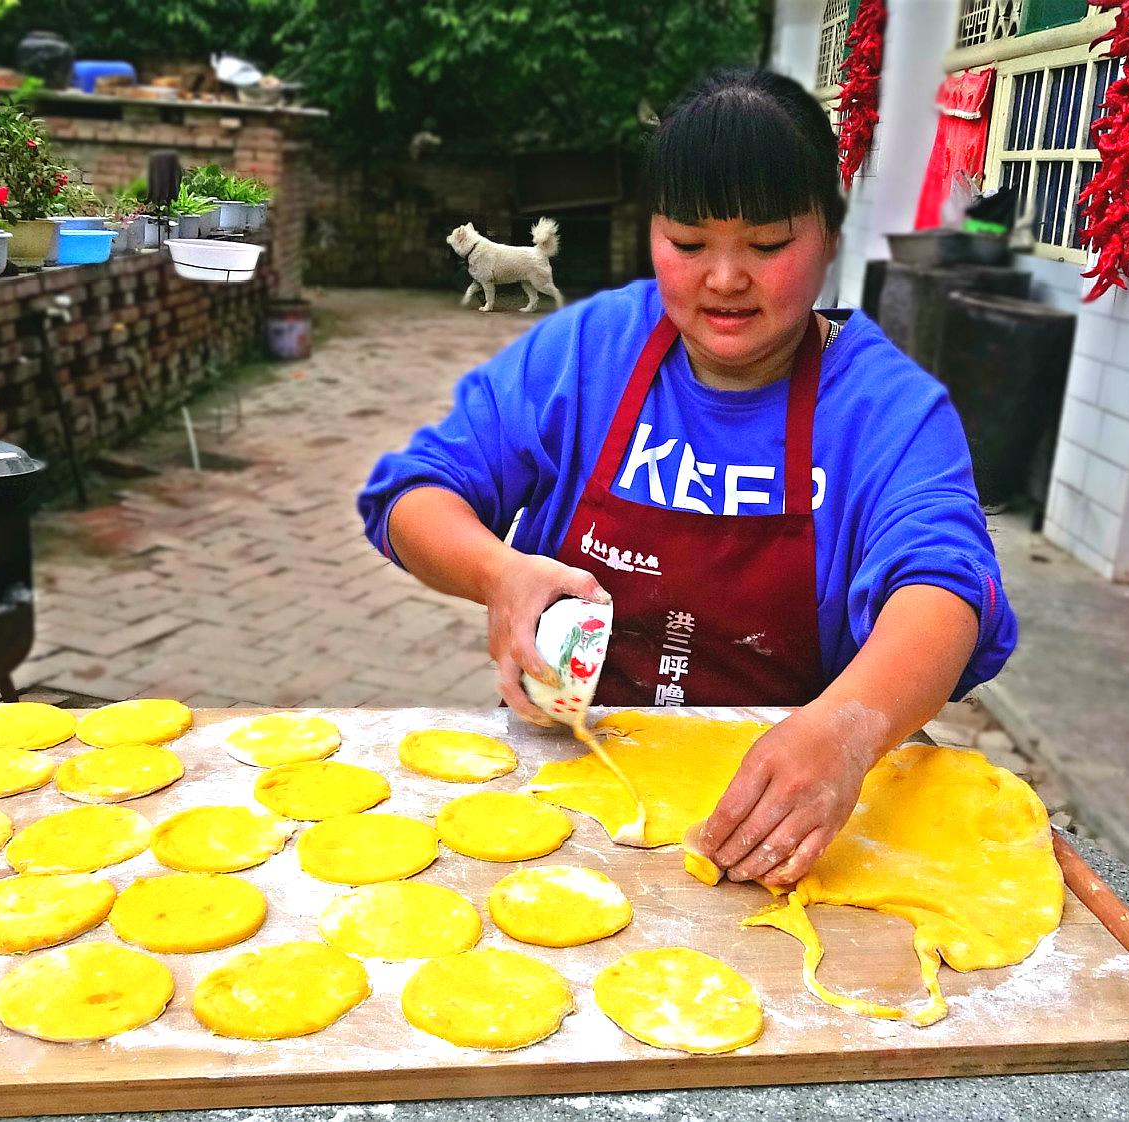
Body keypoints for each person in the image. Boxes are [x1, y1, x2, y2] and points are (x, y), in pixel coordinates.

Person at [358, 68, 1016, 888]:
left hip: (786, 818)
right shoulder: (589, 353)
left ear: (829, 239)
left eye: (768, 245)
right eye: (689, 243)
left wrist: (847, 731)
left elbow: (947, 587)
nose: (726, 278)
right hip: (565, 804)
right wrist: (498, 571)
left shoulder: (885, 408)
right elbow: (413, 495)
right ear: (652, 235)